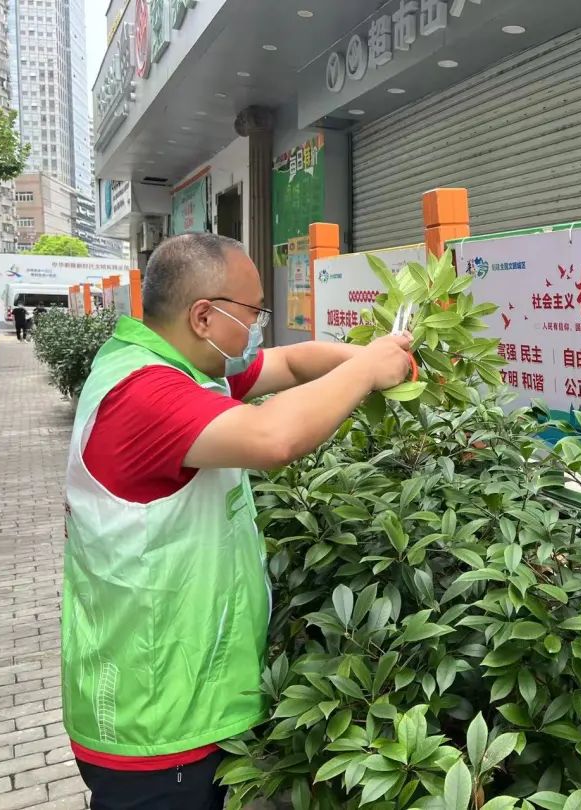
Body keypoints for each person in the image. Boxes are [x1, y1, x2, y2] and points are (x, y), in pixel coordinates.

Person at [62, 233, 413, 810]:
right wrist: (369, 370)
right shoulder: (144, 394)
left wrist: (380, 356)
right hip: (155, 721)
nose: (258, 327)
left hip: (182, 697)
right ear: (204, 316)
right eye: (252, 312)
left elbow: (293, 361)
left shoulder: (180, 367)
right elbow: (274, 437)